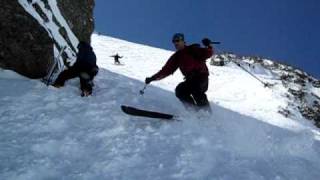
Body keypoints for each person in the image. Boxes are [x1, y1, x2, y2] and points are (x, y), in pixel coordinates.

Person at [145, 33, 214, 112]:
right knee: (180, 90)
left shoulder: (192, 49)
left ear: (183, 41)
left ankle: (207, 115)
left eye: (177, 41)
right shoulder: (176, 57)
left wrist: (209, 45)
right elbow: (166, 70)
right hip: (190, 79)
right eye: (174, 41)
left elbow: (208, 53)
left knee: (196, 90)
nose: (175, 43)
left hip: (201, 77)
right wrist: (152, 78)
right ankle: (194, 112)